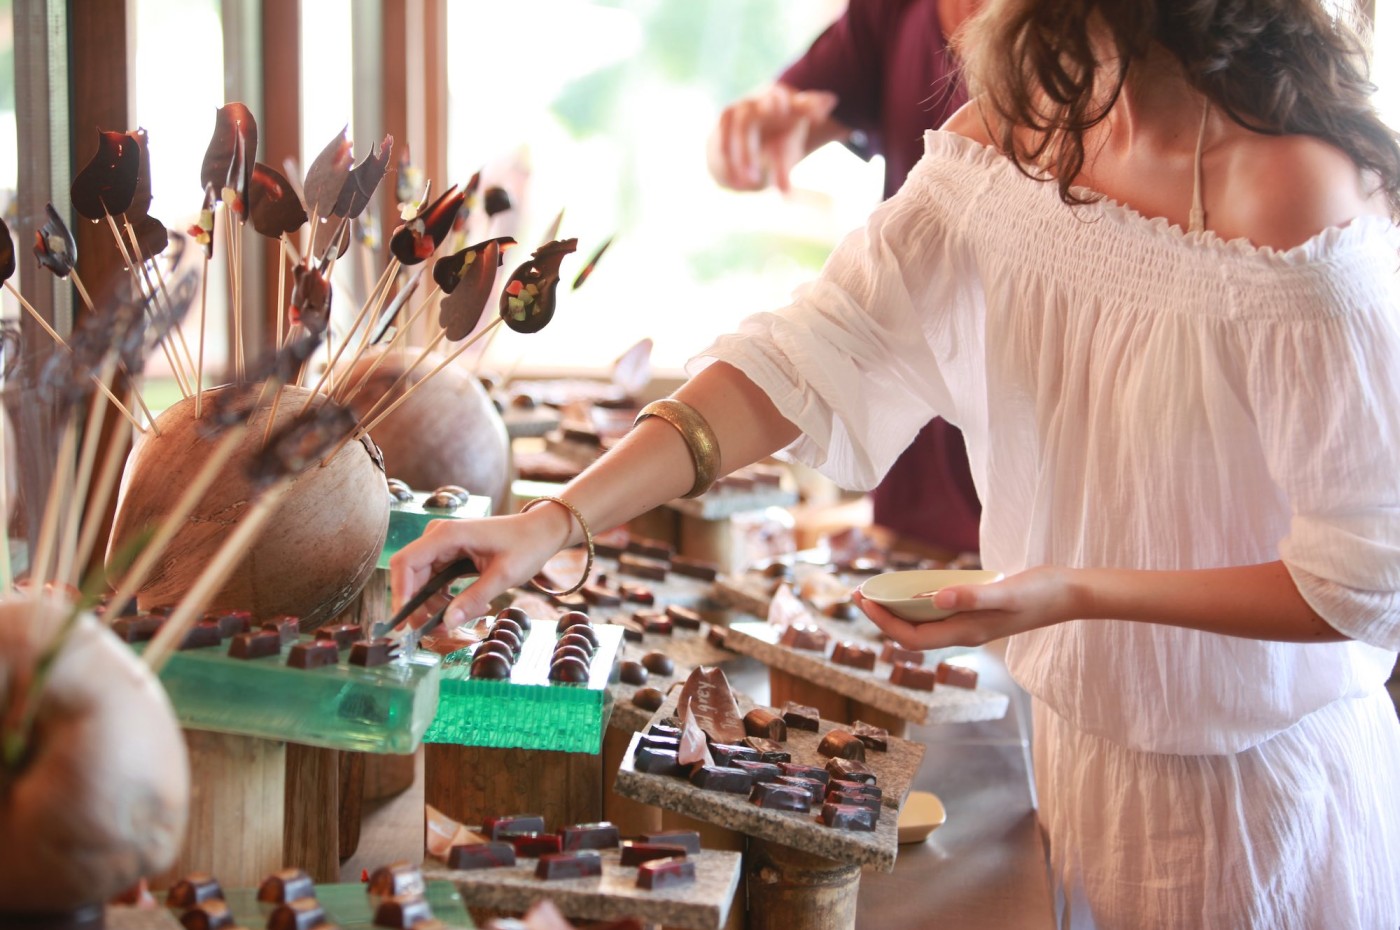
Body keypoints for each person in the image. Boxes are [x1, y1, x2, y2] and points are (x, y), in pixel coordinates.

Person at [394, 1, 1400, 925]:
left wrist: (1068, 590)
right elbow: (805, 352)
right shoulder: (1019, 134)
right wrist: (549, 522)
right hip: (1083, 766)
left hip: (1263, 803)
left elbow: (1360, 582)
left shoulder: (1289, 190)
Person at [706, 0, 983, 554]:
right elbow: (746, 153)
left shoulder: (1087, 35)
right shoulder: (894, 13)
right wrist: (752, 132)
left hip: (1040, 502)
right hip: (918, 498)